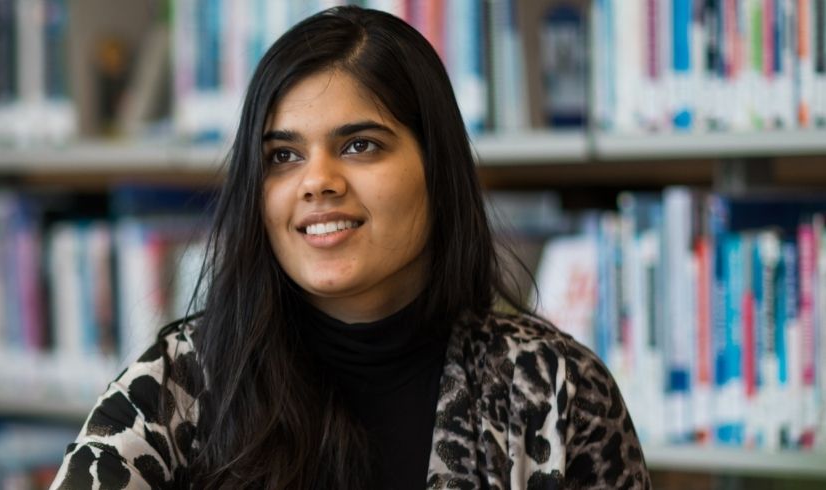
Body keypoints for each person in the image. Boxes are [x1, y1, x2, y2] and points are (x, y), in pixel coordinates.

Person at [50, 6, 649, 489]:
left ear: (436, 168)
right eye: (282, 156)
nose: (318, 181)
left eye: (361, 146)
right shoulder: (177, 387)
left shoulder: (554, 388)